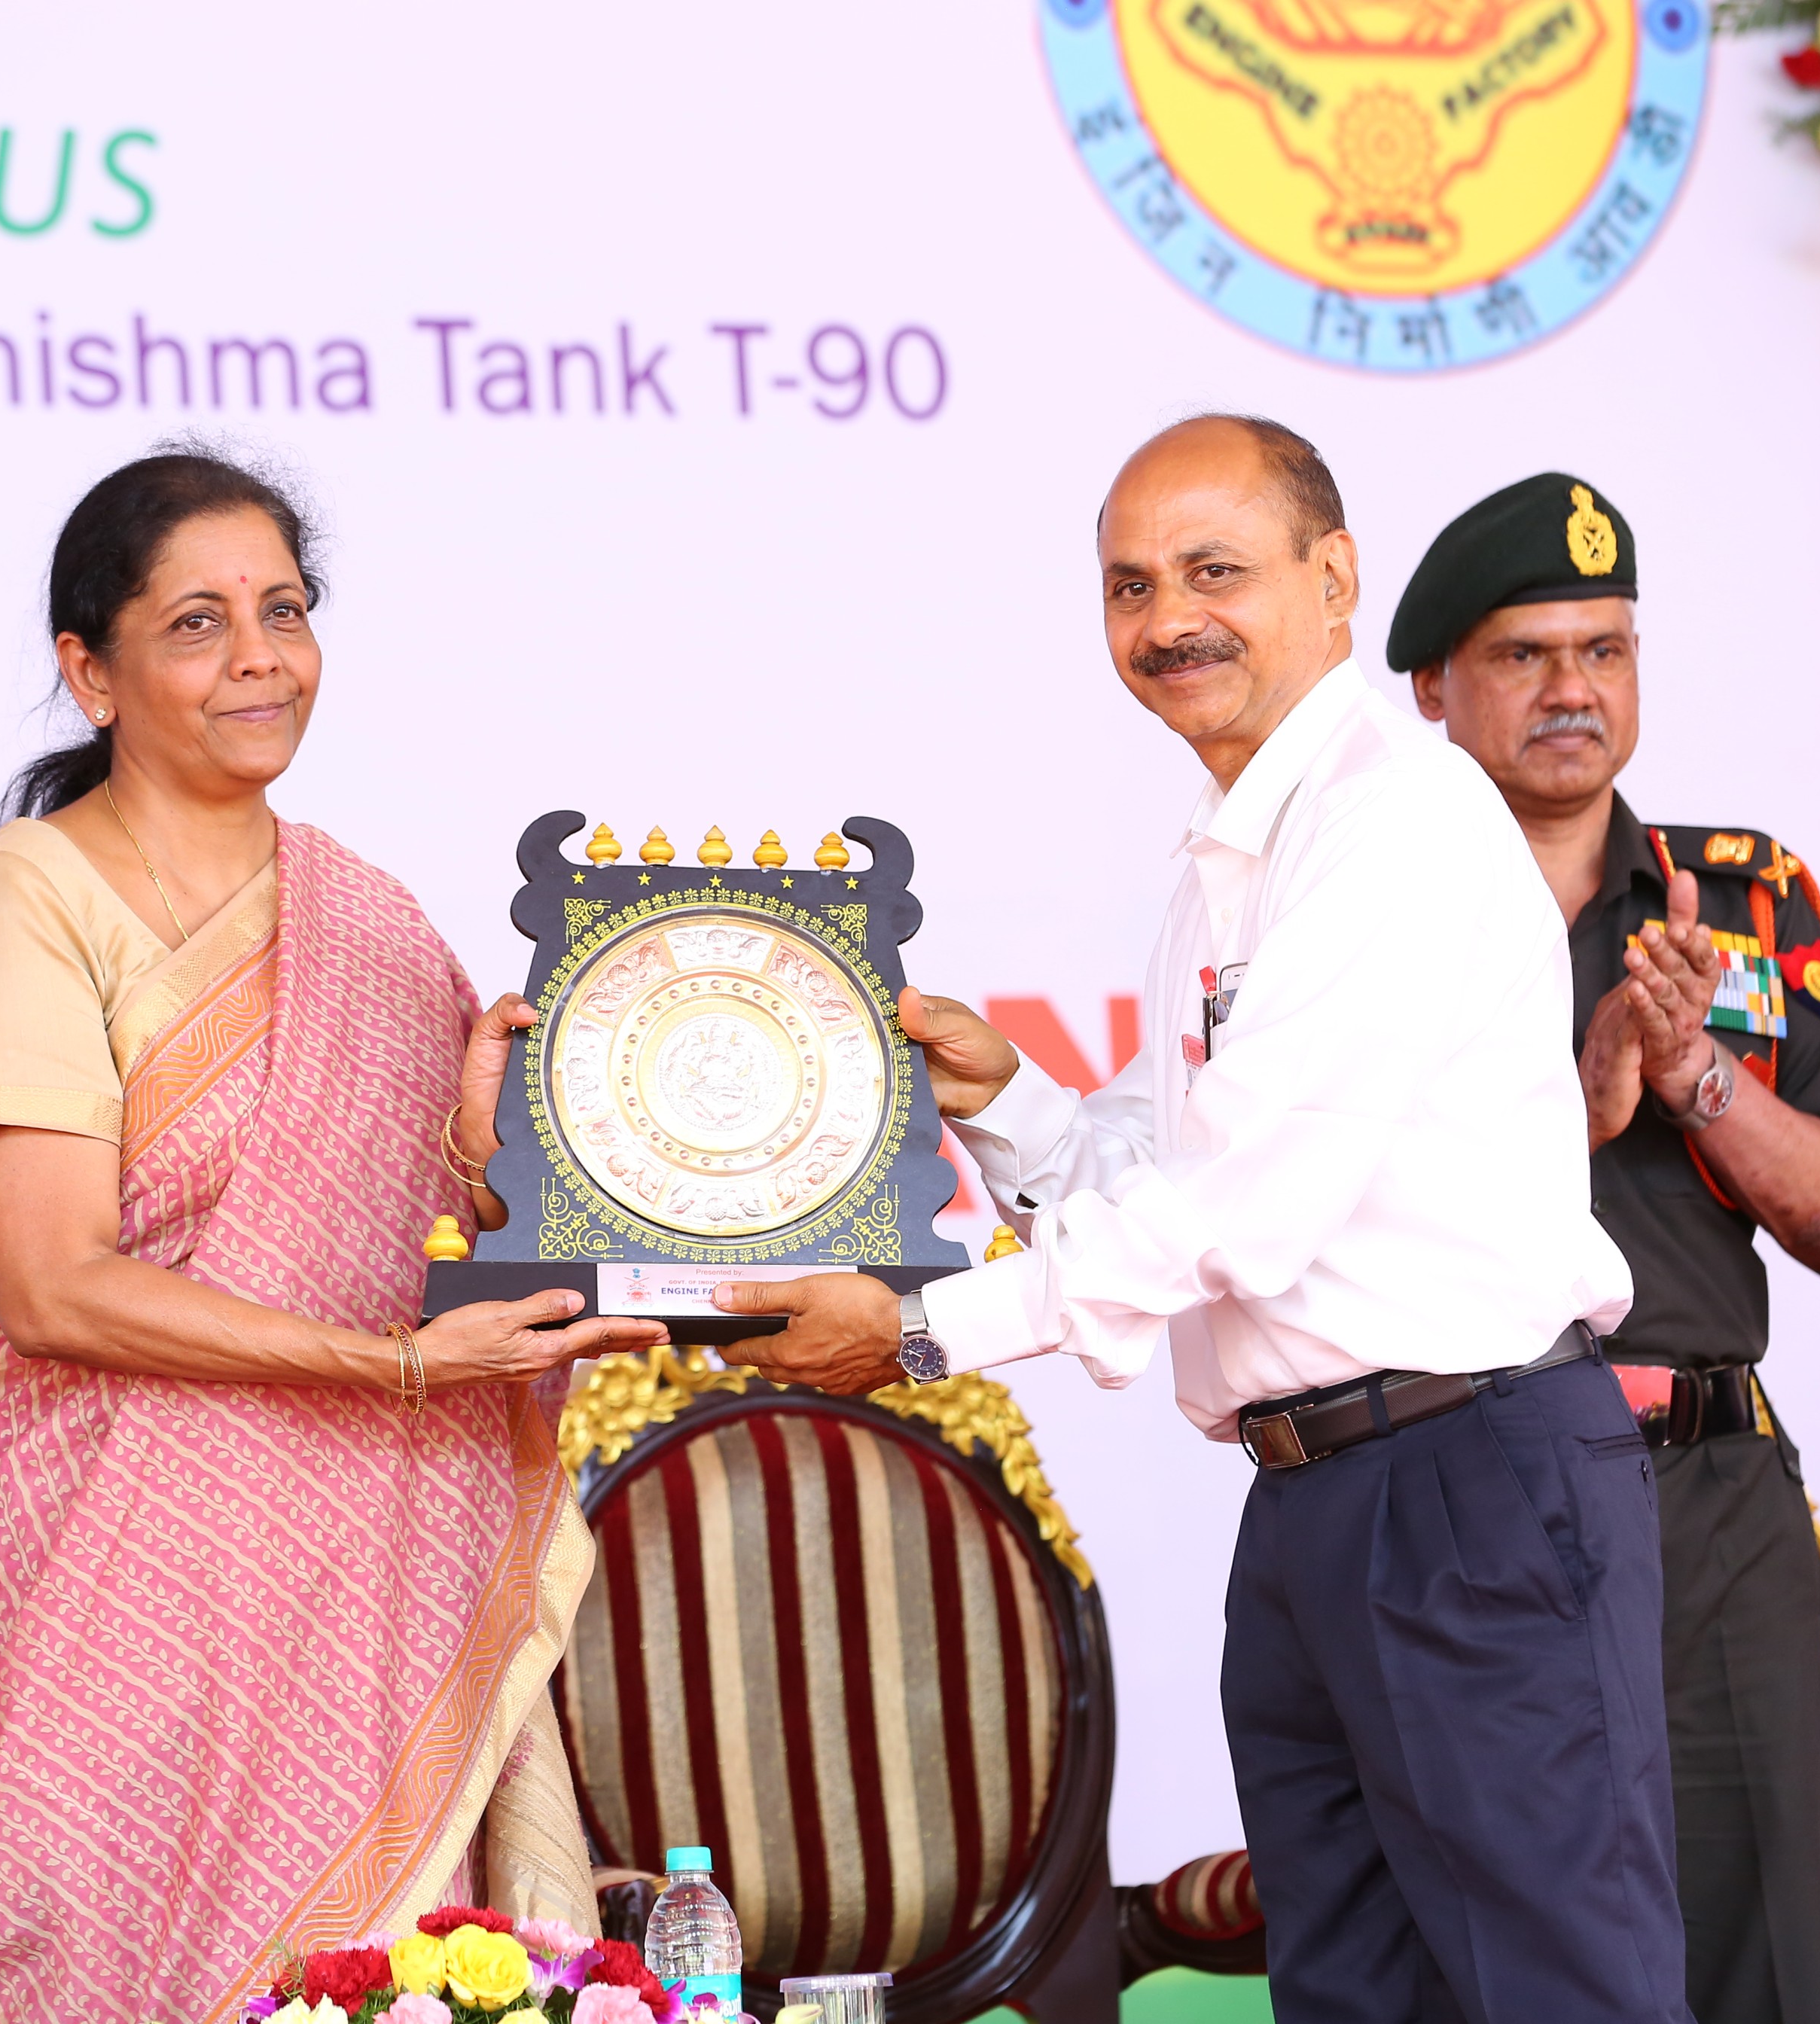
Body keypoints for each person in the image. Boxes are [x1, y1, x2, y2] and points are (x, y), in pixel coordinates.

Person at [716, 416, 1684, 2023]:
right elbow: (1186, 1167)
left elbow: (1244, 1209)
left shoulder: (1394, 820)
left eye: (1214, 571)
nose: (1169, 619)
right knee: (1352, 1996)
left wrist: (926, 1331)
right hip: (1318, 1501)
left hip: (1470, 1485)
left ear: (1335, 578)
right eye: (1131, 585)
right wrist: (1008, 1099)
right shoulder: (1232, 857)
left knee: (1558, 1996)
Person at [0, 449, 666, 2024]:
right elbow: (55, 1288)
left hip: (340, 1563)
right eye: (198, 623)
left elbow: (428, 1245)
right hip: (83, 1540)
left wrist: (479, 1146)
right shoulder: (27, 893)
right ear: (90, 670)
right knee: (73, 1958)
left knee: (359, 1974)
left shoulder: (369, 917)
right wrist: (396, 1372)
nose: (259, 659)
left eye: (284, 611)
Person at [1389, 472, 1820, 2024]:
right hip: (1468, 1482)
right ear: (1433, 689)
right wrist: (1584, 1097)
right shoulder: (1366, 912)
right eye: (1525, 655)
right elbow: (1321, 1215)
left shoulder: (1740, 895)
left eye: (1603, 651)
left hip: (1710, 1498)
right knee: (1499, 1962)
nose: (1573, 690)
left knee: (1760, 1962)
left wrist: (1698, 1077)